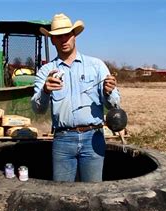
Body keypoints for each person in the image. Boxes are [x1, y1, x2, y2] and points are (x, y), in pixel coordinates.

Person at [31, 13, 120, 182]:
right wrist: (45, 91)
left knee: (93, 194)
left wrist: (109, 92)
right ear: (52, 40)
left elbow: (114, 105)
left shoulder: (96, 66)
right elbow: (37, 109)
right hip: (63, 140)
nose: (64, 39)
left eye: (67, 35)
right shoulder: (46, 71)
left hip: (93, 138)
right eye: (58, 36)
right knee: (62, 195)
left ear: (74, 36)